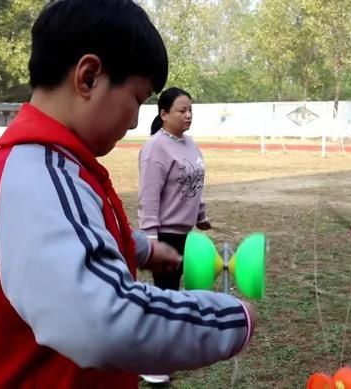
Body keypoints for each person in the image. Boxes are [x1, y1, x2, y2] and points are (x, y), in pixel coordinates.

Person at [0, 1, 254, 388]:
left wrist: (137, 247)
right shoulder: (40, 176)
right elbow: (106, 320)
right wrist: (233, 319)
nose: (136, 120)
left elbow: (78, 233)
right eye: (136, 100)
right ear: (88, 78)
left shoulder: (54, 162)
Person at [137, 86, 212, 383]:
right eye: (182, 110)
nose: (188, 115)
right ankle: (154, 365)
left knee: (173, 295)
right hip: (164, 234)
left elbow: (196, 185)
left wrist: (202, 216)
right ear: (163, 113)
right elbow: (148, 197)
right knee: (165, 298)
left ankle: (161, 355)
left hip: (185, 232)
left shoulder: (190, 144)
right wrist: (151, 240)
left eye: (190, 110)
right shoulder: (155, 148)